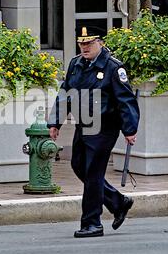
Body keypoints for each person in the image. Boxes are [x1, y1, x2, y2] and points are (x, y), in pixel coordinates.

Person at [47, 27, 140, 238]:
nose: (84, 47)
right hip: (84, 125)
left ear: (100, 43)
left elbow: (126, 101)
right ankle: (118, 202)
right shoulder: (76, 64)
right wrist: (55, 122)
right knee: (78, 165)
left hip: (105, 127)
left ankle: (92, 223)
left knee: (93, 173)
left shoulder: (113, 68)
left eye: (89, 43)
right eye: (81, 44)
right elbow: (65, 94)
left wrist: (130, 128)